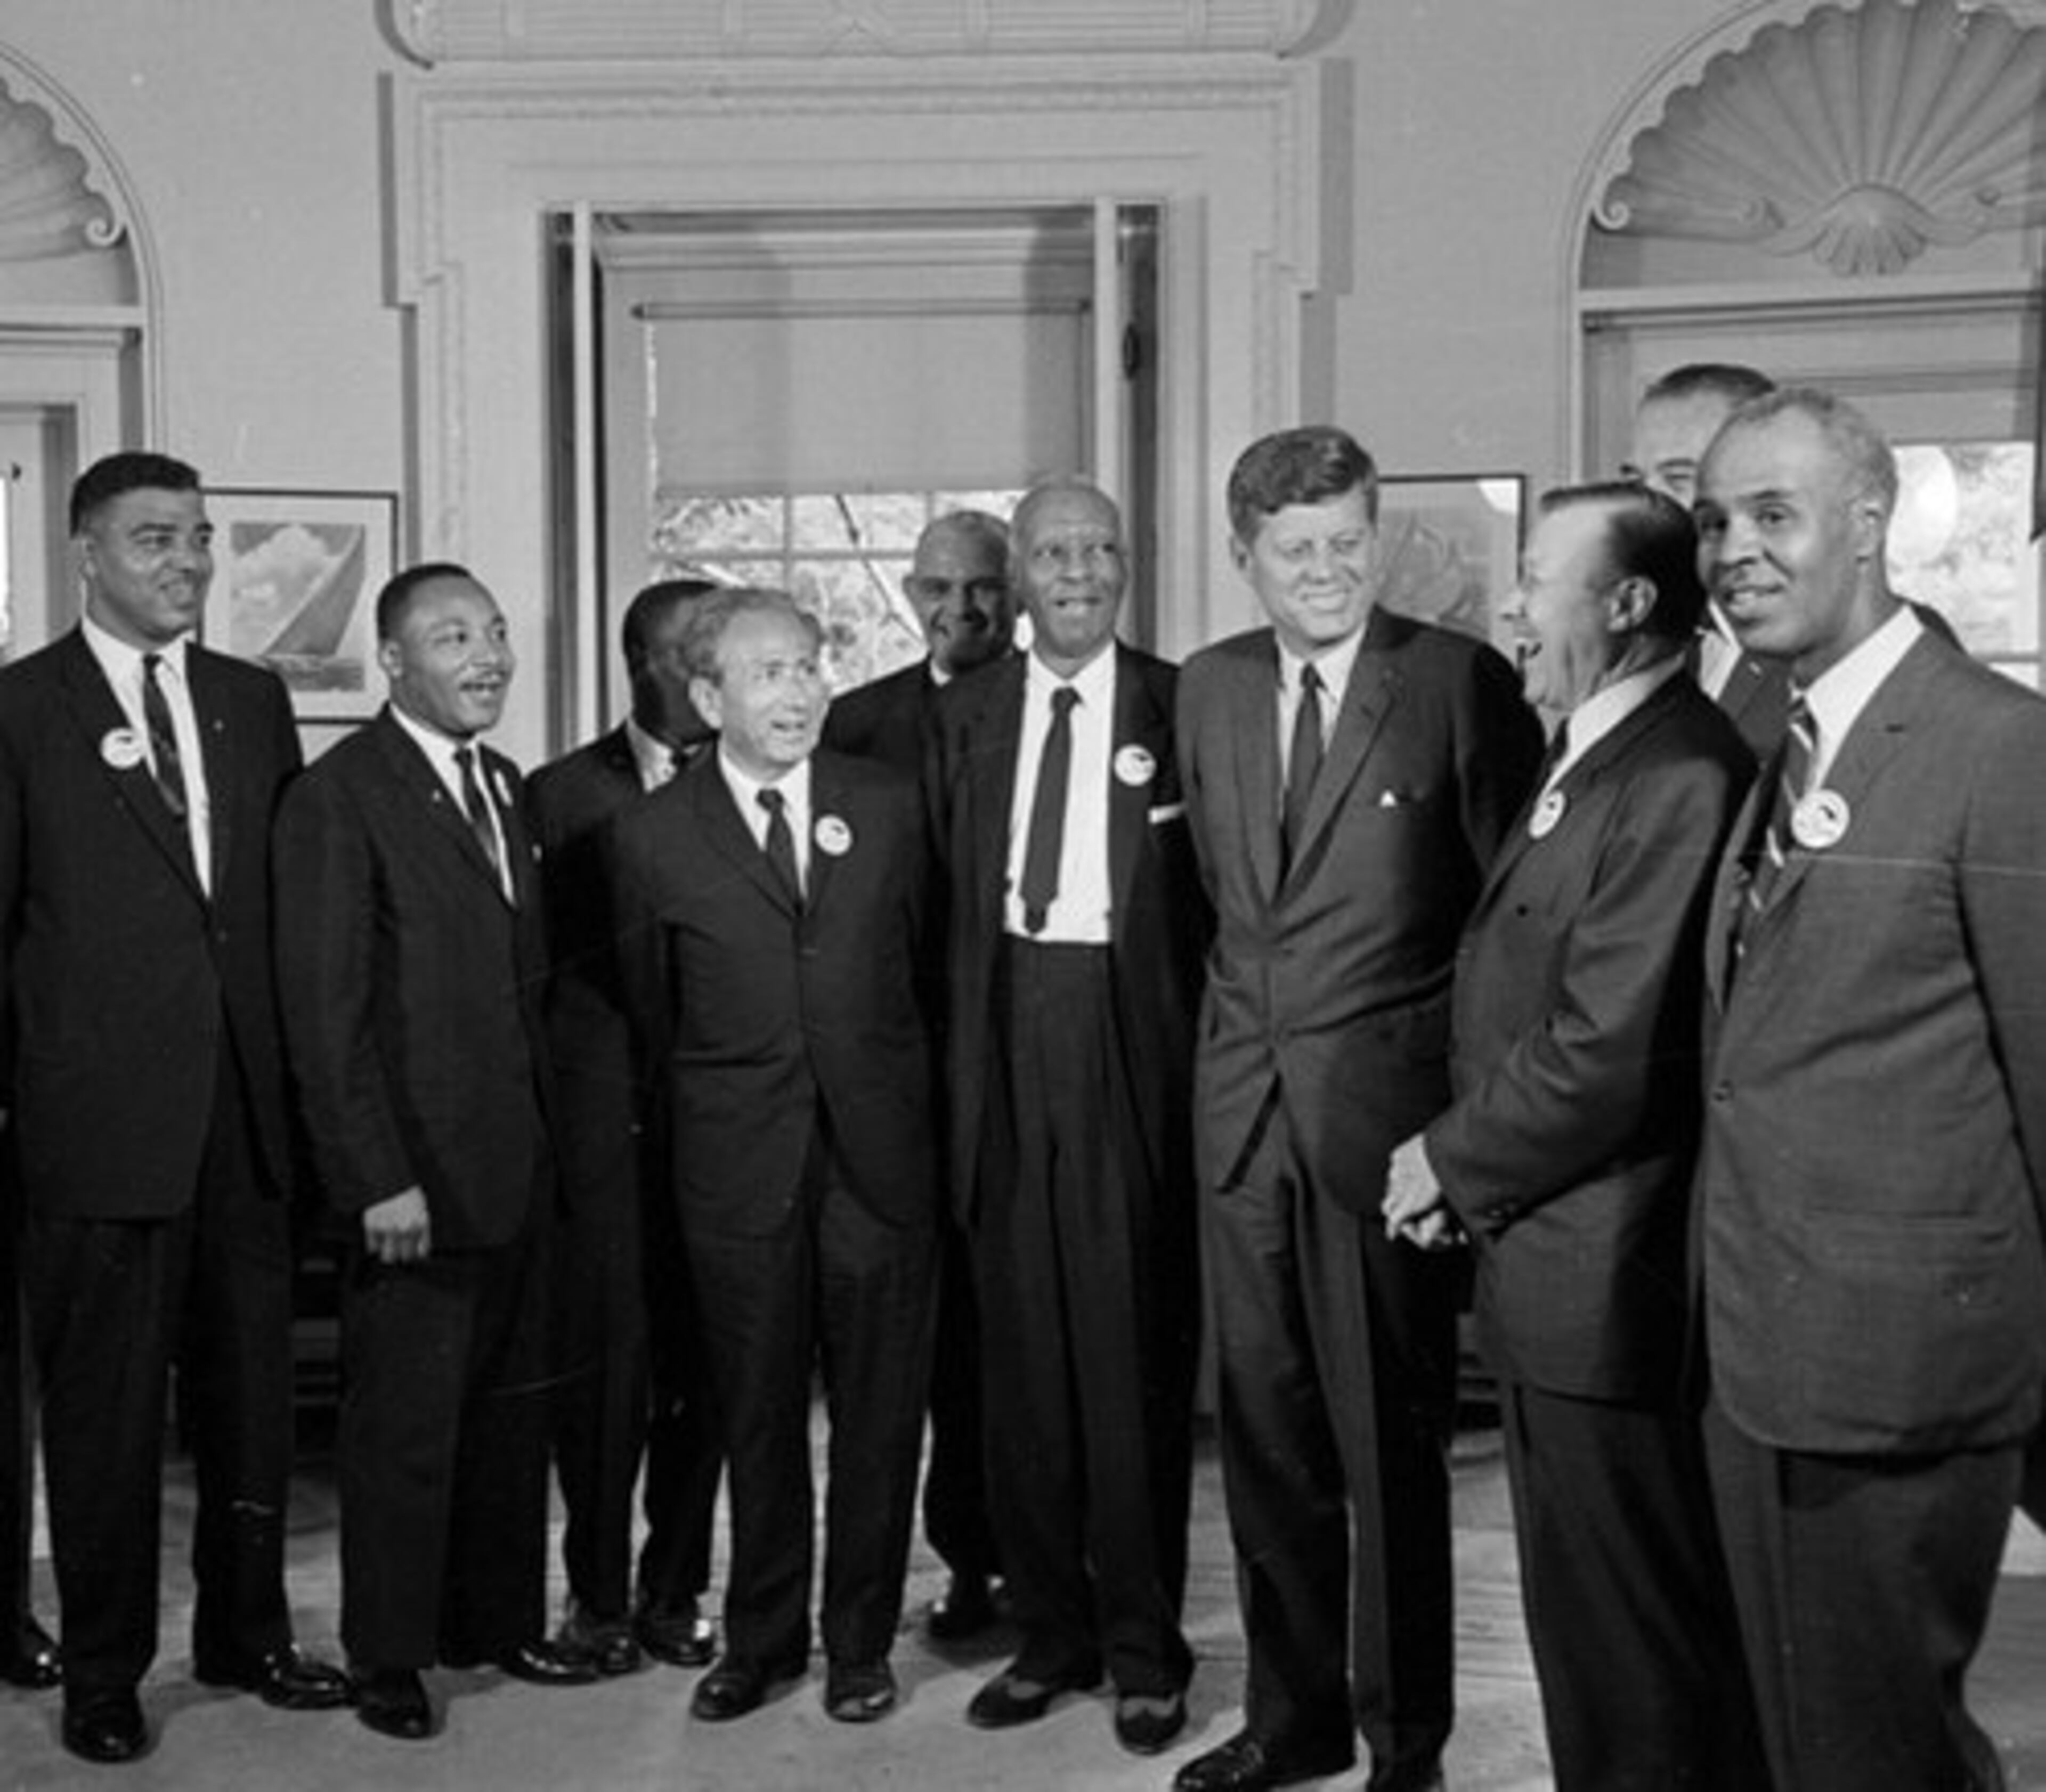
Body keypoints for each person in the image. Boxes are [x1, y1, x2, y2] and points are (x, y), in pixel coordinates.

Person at [1174, 426, 1543, 1792]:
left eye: (1345, 543)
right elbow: (1203, 915)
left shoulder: (1452, 682)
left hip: (1384, 1139)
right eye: (1293, 550)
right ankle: (1290, 1719)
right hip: (1242, 1125)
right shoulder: (1206, 692)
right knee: (1262, 1442)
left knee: (1389, 1455)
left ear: (1372, 539)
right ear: (1243, 557)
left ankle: (1405, 1740)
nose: (1324, 572)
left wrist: (1457, 1136)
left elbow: (1507, 926)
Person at [1691, 386, 2046, 1791]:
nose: (1733, 551)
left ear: (1873, 521)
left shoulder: (1993, 745)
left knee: (1885, 1752)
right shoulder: (1785, 739)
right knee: (1809, 1744)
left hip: (1903, 1365)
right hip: (1766, 1353)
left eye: (1774, 515)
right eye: (1717, 519)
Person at [1384, 482, 1765, 1790]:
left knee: (1632, 1643)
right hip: (1550, 1261)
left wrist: (1447, 1157)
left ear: (1624, 603)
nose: (1508, 602)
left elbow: (1607, 1047)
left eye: (1537, 577)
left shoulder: (1676, 770)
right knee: (1588, 1635)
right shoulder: (1593, 750)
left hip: (1611, 1283)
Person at [0, 451, 347, 1764]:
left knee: (254, 1398)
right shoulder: (22, 710)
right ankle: (103, 1669)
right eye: (156, 540)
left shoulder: (250, 701)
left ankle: (246, 1633)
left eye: (200, 539)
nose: (189, 563)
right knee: (105, 1420)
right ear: (86, 551)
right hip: (98, 1128)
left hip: (246, 1122)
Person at [275, 562, 598, 1744]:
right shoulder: (338, 795)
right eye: (454, 636)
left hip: (517, 1171)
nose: (488, 656)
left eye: (497, 633)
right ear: (395, 659)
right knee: (405, 1432)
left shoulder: (504, 783)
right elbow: (326, 1011)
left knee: (510, 1420)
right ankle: (392, 1655)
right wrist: (374, 1176)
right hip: (411, 1181)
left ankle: (495, 1621)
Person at [610, 587, 939, 1726]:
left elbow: (931, 975)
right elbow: (653, 1020)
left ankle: (859, 1642)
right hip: (738, 1169)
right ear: (708, 696)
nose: (798, 690)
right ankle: (761, 1640)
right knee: (753, 1412)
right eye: (768, 672)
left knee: (880, 1415)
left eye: (808, 665)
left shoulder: (891, 804)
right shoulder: (651, 836)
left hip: (881, 1162)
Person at [929, 478, 1205, 1758]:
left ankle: (1146, 1650)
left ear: (1126, 565)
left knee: (1128, 1364)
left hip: (1124, 1047)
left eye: (1099, 547)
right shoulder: (967, 713)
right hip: (998, 1048)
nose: (1077, 569)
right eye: (1053, 551)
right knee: (1019, 1372)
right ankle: (1050, 1634)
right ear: (1018, 575)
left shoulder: (1184, 702)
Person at [821, 509, 1013, 1642]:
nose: (960, 610)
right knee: (912, 1348)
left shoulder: (1046, 706)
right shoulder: (855, 721)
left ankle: (1014, 1553)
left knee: (1008, 1345)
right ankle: (943, 1566)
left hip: (1019, 1067)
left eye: (983, 588)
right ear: (907, 589)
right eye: (938, 587)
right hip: (893, 1077)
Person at [531, 577, 728, 1676]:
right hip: (603, 1135)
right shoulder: (556, 796)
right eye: (691, 650)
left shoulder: (764, 782)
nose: (712, 668)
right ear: (640, 664)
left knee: (706, 1370)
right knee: (602, 1377)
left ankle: (675, 1590)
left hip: (720, 1131)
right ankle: (596, 1594)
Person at [1623, 363, 1792, 757]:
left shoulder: (1847, 636)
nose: (1648, 503)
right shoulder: (1644, 639)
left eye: (1678, 479)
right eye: (1635, 482)